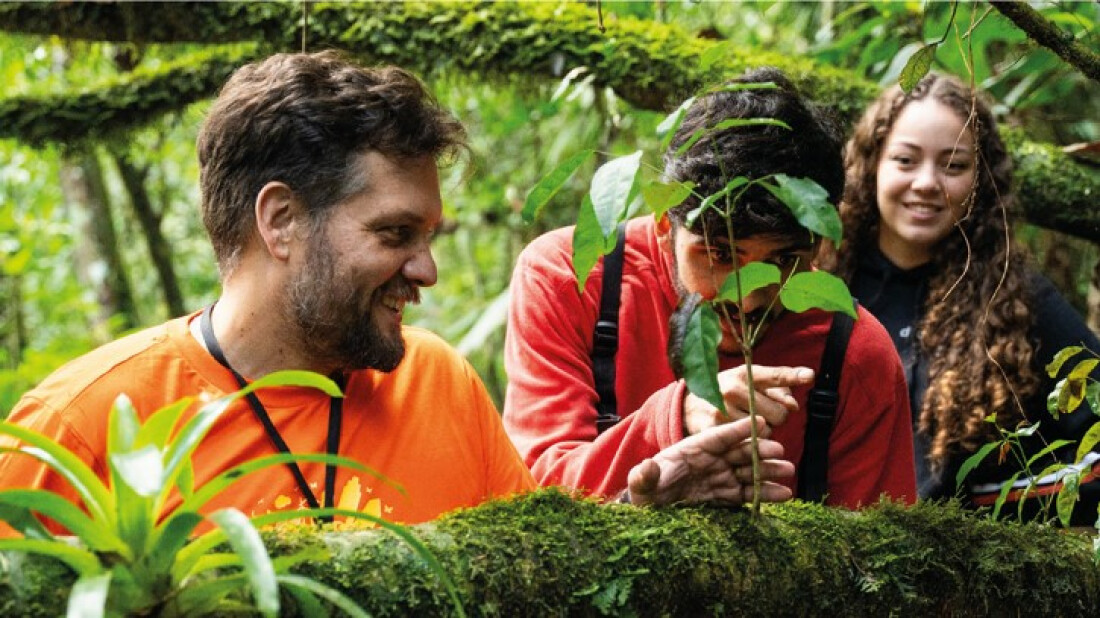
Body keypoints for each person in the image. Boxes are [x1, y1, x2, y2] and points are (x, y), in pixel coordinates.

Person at [0, 51, 766, 534]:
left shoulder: (439, 383)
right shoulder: (80, 429)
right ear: (281, 220)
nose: (426, 270)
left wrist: (641, 515)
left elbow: (531, 582)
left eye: (429, 237)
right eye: (396, 234)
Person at [503, 67, 917, 508]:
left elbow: (879, 543)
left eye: (783, 260)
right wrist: (675, 418)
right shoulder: (569, 278)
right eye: (719, 255)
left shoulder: (856, 355)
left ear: (819, 245)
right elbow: (535, 494)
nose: (747, 298)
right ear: (665, 227)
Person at [828, 72, 1100, 523]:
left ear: (980, 180)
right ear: (872, 164)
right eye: (905, 160)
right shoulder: (821, 281)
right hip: (826, 552)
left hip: (964, 560)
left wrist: (977, 511)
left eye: (953, 166)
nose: (926, 183)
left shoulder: (1015, 296)